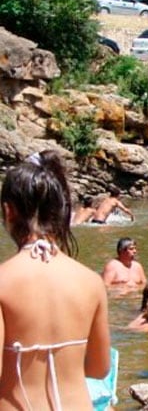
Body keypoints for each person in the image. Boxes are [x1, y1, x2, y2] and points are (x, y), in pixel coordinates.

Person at [0, 150, 110, 409]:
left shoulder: (3, 282)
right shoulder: (91, 282)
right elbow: (98, 368)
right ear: (61, 212)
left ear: (8, 211)